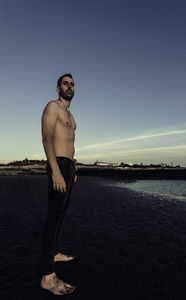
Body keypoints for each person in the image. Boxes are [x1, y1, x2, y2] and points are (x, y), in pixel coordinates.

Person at [40, 73, 77, 295]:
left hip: (68, 167)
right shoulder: (52, 107)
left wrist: (74, 169)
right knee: (53, 217)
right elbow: (46, 138)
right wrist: (55, 170)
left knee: (61, 214)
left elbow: (71, 142)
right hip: (58, 166)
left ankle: (53, 253)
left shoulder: (71, 116)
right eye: (65, 83)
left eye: (72, 84)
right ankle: (47, 276)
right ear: (57, 88)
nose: (69, 87)